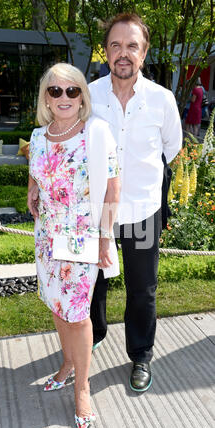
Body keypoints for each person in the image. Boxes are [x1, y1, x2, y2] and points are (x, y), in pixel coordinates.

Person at [89, 12, 182, 392]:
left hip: (143, 211)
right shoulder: (88, 94)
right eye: (116, 45)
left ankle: (141, 354)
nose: (123, 53)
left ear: (143, 53)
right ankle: (92, 336)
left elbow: (171, 148)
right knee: (94, 280)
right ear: (107, 52)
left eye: (132, 46)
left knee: (142, 288)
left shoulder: (162, 100)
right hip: (98, 211)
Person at [28, 62, 120, 428]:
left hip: (81, 235)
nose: (64, 97)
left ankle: (82, 387)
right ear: (46, 98)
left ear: (82, 96)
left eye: (72, 90)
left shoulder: (96, 133)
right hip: (46, 235)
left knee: (79, 314)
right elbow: (36, 171)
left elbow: (112, 190)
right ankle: (67, 365)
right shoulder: (38, 136)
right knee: (57, 304)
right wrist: (33, 188)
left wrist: (104, 237)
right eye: (55, 91)